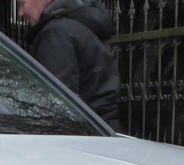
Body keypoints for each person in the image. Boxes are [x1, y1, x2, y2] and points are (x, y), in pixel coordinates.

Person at [17, 0, 122, 128]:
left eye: (22, 3)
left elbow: (55, 106)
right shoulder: (78, 26)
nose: (20, 12)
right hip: (100, 128)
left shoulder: (56, 33)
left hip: (81, 133)